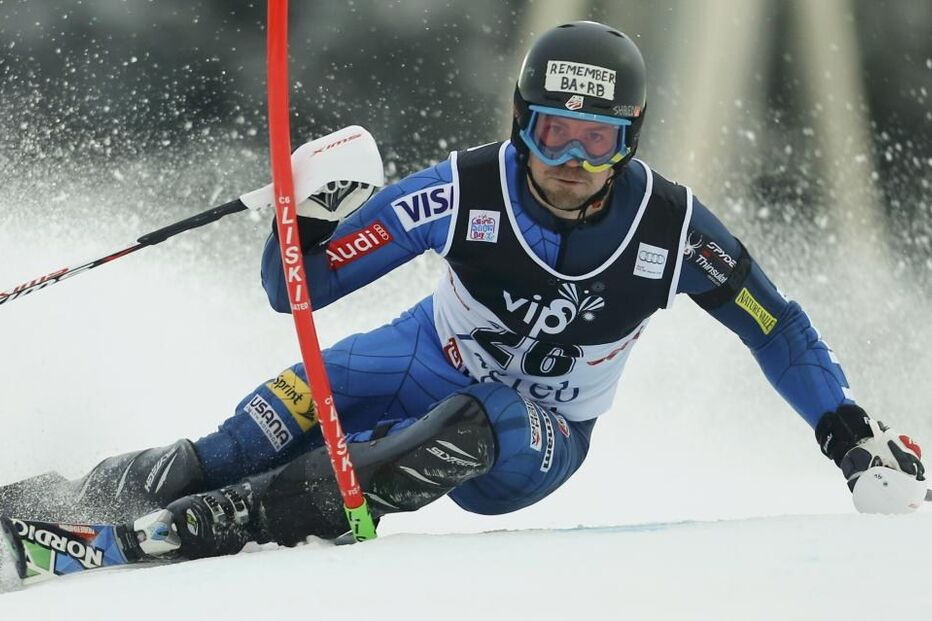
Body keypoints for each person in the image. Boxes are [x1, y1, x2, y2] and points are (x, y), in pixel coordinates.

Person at [1, 20, 925, 559]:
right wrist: (310, 211)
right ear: (521, 123)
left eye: (596, 140)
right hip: (414, 355)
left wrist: (842, 427)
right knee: (238, 437)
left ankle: (232, 524)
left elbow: (778, 327)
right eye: (553, 133)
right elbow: (297, 291)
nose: (570, 161)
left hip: (537, 432)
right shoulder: (463, 188)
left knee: (472, 421)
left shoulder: (673, 229)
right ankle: (71, 502)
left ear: (630, 140)